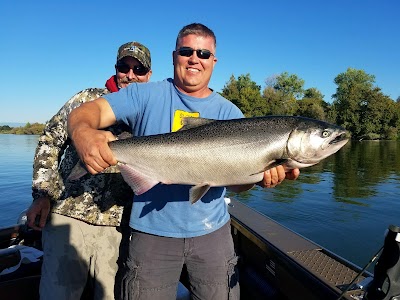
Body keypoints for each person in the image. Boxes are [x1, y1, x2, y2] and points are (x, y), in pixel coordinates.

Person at [68, 23, 300, 300]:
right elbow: (86, 112)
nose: (194, 59)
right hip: (150, 235)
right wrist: (83, 134)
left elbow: (237, 187)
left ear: (213, 61)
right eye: (187, 51)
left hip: (212, 234)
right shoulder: (143, 95)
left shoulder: (231, 113)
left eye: (203, 53)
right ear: (174, 55)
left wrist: (261, 178)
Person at [26, 41, 152, 300]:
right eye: (124, 67)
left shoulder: (151, 113)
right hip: (68, 217)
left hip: (120, 224)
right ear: (115, 68)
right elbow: (51, 138)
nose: (130, 75)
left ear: (148, 75)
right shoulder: (86, 99)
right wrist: (42, 194)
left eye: (138, 69)